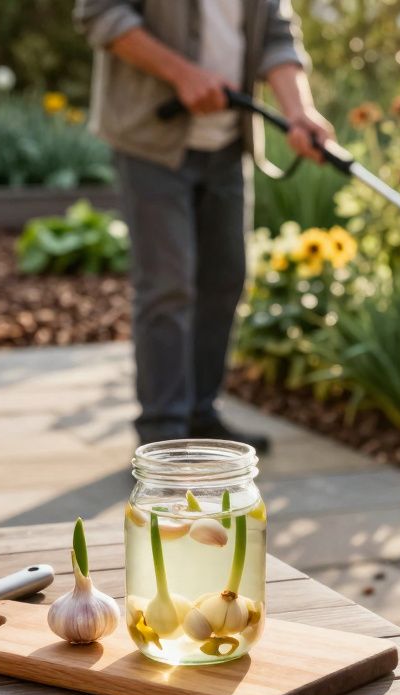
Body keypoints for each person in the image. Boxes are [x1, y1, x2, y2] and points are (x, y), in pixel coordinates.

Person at [75, 0, 333, 451]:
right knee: (167, 282)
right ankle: (163, 432)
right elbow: (103, 14)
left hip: (227, 141)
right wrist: (183, 74)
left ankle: (200, 414)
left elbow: (275, 31)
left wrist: (298, 110)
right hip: (150, 138)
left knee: (225, 276)